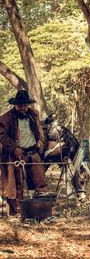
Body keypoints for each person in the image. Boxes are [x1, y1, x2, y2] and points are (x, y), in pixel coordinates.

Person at [0, 90, 49, 218]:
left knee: (40, 182)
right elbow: (2, 136)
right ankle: (16, 213)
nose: (22, 108)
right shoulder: (5, 118)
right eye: (20, 105)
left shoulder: (34, 114)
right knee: (15, 184)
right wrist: (14, 148)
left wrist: (40, 141)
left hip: (33, 152)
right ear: (15, 105)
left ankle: (42, 212)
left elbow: (40, 130)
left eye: (25, 105)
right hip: (16, 155)